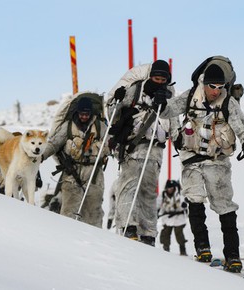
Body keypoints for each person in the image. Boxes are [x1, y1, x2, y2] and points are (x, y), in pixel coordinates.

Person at [154, 59, 244, 273]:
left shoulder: (229, 102)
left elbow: (242, 126)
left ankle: (233, 256)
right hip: (191, 159)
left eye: (220, 87)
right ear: (205, 83)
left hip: (217, 162)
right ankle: (202, 248)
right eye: (212, 87)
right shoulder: (191, 95)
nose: (215, 91)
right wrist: (161, 101)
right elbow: (168, 111)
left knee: (224, 206)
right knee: (195, 200)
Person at [108, 59, 179, 246]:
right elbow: (112, 114)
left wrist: (179, 138)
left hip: (155, 149)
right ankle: (127, 226)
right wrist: (117, 98)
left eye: (163, 79)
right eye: (156, 77)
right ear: (150, 76)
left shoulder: (171, 97)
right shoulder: (136, 90)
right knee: (128, 186)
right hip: (133, 145)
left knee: (148, 191)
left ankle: (148, 233)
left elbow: (174, 123)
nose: (160, 82)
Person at [42, 95, 108, 228]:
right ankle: (67, 239)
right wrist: (40, 157)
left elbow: (110, 144)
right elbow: (54, 144)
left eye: (87, 114)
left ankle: (95, 242)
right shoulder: (68, 127)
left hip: (94, 173)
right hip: (72, 172)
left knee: (93, 212)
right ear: (77, 112)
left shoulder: (100, 126)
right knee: (68, 212)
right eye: (82, 114)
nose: (84, 117)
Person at [158, 180, 188, 256]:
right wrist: (157, 212)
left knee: (179, 234)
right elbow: (158, 205)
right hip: (167, 218)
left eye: (171, 188)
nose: (170, 190)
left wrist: (183, 205)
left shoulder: (179, 194)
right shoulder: (163, 195)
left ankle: (183, 251)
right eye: (168, 188)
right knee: (165, 233)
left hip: (178, 218)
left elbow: (183, 202)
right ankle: (166, 250)